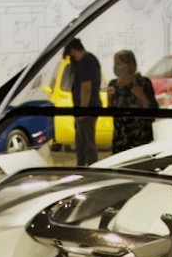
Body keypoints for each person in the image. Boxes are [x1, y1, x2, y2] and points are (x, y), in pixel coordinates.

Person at [107, 49, 157, 152]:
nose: (115, 67)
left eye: (118, 63)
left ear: (129, 65)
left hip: (140, 139)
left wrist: (141, 96)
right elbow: (110, 111)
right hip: (120, 139)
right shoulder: (113, 85)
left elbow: (153, 110)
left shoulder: (142, 83)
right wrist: (109, 97)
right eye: (115, 64)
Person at [65, 38, 102, 166]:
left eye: (71, 55)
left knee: (87, 145)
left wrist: (83, 110)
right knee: (81, 144)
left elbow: (86, 87)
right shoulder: (90, 59)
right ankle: (81, 170)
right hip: (87, 109)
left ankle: (91, 173)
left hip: (86, 110)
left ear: (74, 50)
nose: (72, 58)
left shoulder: (85, 62)